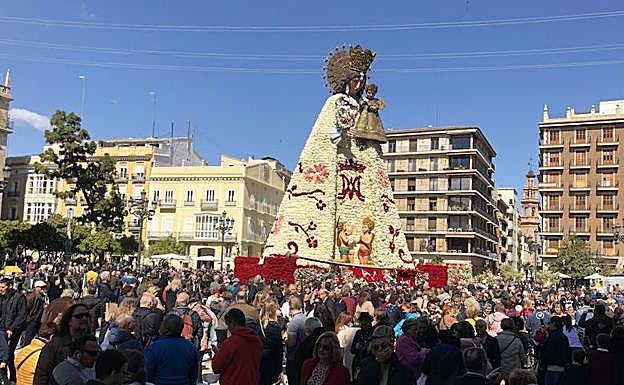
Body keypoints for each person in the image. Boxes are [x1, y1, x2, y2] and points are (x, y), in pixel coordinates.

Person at [34, 304, 92, 385]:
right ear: (69, 321)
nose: (84, 318)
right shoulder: (55, 345)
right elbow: (42, 375)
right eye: (79, 316)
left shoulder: (92, 344)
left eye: (87, 315)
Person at [212, 308, 263, 385]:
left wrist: (217, 354)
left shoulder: (231, 342)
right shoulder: (257, 341)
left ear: (232, 323)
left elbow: (216, 367)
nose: (228, 328)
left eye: (228, 324)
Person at [144, 314, 198, 385]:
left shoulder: (155, 347)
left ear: (164, 327)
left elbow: (148, 373)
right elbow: (193, 375)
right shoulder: (190, 347)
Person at [0, 277, 27, 382]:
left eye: (3, 287)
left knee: (9, 354)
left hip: (14, 330)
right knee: (3, 354)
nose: (0, 289)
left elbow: (22, 316)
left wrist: (11, 328)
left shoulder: (19, 297)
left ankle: (12, 378)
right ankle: (4, 378)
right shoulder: (2, 297)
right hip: (3, 329)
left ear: (10, 286)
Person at [540, 316, 571, 385]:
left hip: (552, 368)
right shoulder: (564, 337)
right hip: (562, 368)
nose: (548, 325)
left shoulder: (552, 337)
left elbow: (547, 352)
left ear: (553, 324)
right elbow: (568, 352)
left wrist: (542, 363)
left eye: (549, 323)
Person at [258, 301, 283, 385]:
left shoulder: (260, 324)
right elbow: (278, 348)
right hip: (273, 361)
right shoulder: (275, 327)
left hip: (261, 359)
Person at [286, 296, 307, 385]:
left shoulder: (294, 322)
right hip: (303, 356)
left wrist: (285, 339)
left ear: (291, 306)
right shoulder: (305, 318)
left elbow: (291, 343)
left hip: (293, 357)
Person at [22, 280, 48, 347]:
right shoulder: (31, 296)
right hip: (32, 321)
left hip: (38, 321)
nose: (44, 289)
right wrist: (28, 319)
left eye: (45, 287)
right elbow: (26, 309)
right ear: (37, 288)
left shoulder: (42, 297)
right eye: (42, 288)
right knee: (28, 340)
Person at [350, 312, 374, 377]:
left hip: (371, 362)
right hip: (359, 361)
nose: (364, 326)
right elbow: (352, 350)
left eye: (366, 324)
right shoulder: (359, 333)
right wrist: (356, 347)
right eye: (362, 324)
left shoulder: (374, 332)